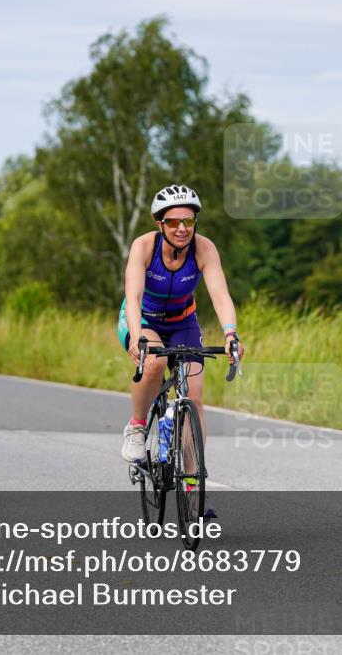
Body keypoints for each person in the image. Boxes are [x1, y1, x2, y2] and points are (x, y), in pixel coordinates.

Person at [117, 184, 244, 488]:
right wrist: (137, 337)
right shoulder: (144, 247)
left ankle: (191, 484)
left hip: (183, 322)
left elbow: (221, 296)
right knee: (154, 363)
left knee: (194, 399)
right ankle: (136, 427)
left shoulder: (204, 249)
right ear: (159, 223)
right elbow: (132, 297)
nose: (182, 229)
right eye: (173, 222)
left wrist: (230, 335)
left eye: (188, 221)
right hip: (144, 320)